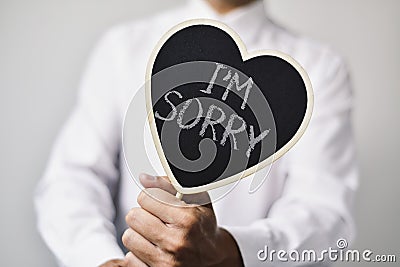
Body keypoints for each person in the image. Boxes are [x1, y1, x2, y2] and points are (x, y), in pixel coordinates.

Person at [34, 0, 358, 266]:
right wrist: (100, 259)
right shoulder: (122, 47)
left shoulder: (319, 68)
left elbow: (324, 212)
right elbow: (72, 178)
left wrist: (230, 249)